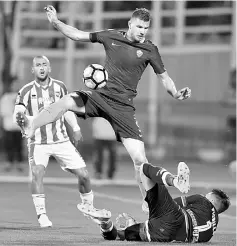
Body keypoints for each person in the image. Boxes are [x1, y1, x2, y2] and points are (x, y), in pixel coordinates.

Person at [16, 6, 192, 214]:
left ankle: (147, 200)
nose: (143, 31)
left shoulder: (150, 50)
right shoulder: (111, 36)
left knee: (139, 160)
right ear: (130, 24)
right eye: (139, 26)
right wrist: (56, 22)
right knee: (65, 102)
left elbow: (164, 77)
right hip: (99, 97)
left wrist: (175, 93)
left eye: (146, 27)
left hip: (124, 107)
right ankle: (31, 123)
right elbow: (78, 35)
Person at [13, 55, 110, 228]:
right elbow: (19, 111)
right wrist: (21, 119)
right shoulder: (26, 90)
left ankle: (88, 207)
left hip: (61, 140)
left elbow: (67, 109)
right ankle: (42, 214)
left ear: (49, 68)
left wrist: (76, 128)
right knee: (37, 174)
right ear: (32, 69)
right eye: (38, 65)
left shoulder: (60, 87)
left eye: (44, 64)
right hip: (38, 142)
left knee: (84, 175)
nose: (41, 68)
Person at [89, 162, 230, 243]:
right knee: (124, 235)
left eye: (208, 195)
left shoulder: (203, 200)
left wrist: (152, 204)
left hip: (175, 217)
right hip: (164, 234)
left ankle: (175, 181)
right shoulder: (211, 231)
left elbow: (177, 203)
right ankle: (106, 224)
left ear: (211, 199)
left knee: (144, 169)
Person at [0, 79, 24, 172]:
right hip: (9, 126)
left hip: (19, 127)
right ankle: (9, 162)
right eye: (14, 84)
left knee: (19, 146)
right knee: (9, 145)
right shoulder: (6, 97)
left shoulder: (23, 97)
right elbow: (3, 111)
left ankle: (19, 163)